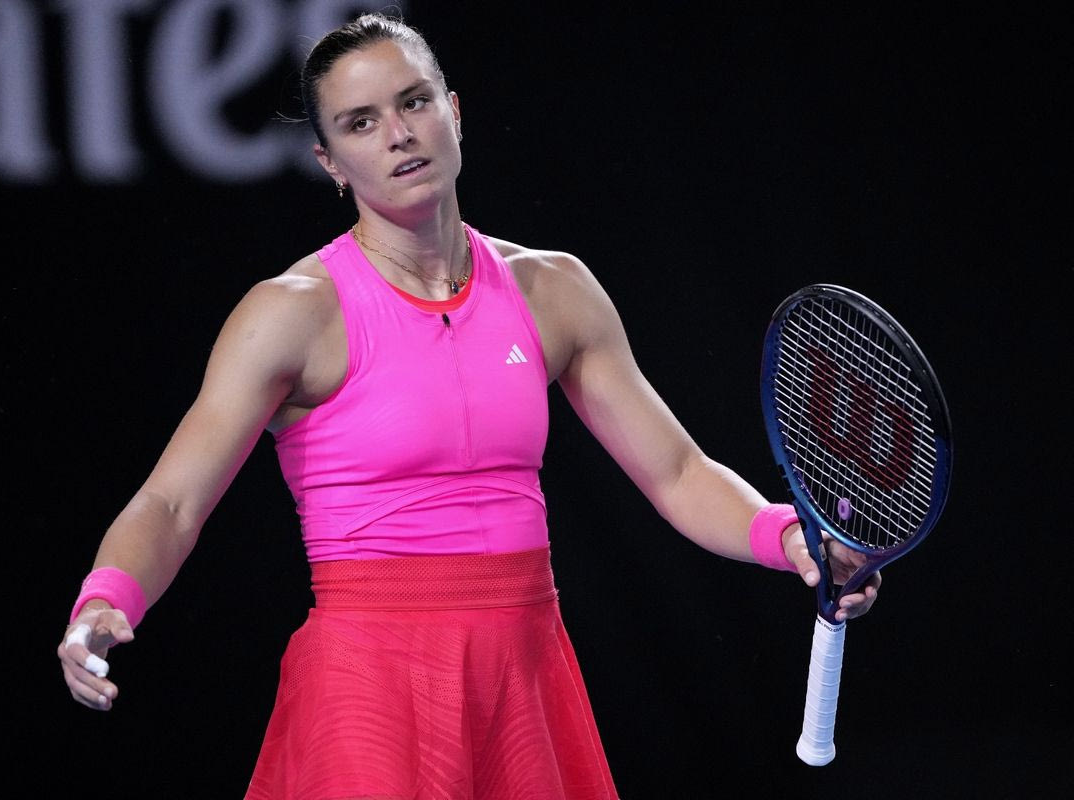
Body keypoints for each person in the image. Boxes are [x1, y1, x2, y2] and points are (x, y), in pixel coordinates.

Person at [56, 12, 880, 799]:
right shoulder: (290, 312)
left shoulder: (553, 289)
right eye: (361, 123)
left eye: (413, 102)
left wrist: (790, 538)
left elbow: (678, 472)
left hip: (524, 678)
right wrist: (104, 600)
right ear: (330, 162)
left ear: (452, 111)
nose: (399, 134)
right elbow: (171, 504)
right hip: (367, 689)